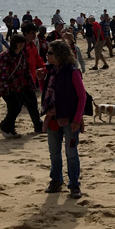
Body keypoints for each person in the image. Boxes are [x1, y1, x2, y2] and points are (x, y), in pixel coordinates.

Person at [38, 40, 86, 200]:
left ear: (59, 54)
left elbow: (82, 97)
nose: (47, 55)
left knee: (71, 153)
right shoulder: (51, 71)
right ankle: (56, 180)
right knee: (54, 152)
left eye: (50, 53)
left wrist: (77, 120)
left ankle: (74, 184)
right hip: (53, 117)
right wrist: (41, 79)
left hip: (70, 118)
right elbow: (47, 94)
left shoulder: (73, 72)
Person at [0, 34, 42, 137]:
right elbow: (2, 74)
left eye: (23, 43)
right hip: (7, 87)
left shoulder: (22, 55)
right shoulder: (5, 55)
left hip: (19, 86)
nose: (21, 45)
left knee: (15, 107)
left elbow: (26, 71)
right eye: (19, 43)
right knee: (15, 107)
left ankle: (10, 130)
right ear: (14, 43)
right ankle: (4, 126)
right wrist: (5, 88)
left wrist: (31, 83)